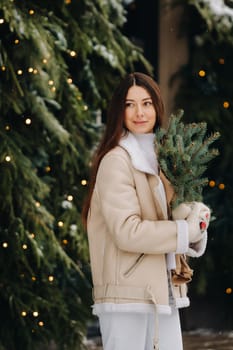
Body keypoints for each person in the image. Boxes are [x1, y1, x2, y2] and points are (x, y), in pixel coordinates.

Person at [82, 72, 210, 350]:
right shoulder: (116, 160)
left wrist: (193, 222)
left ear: (157, 107)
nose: (139, 112)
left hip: (162, 291)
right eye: (129, 105)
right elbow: (127, 231)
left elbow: (167, 217)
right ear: (119, 111)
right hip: (127, 297)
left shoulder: (164, 159)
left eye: (147, 103)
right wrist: (180, 231)